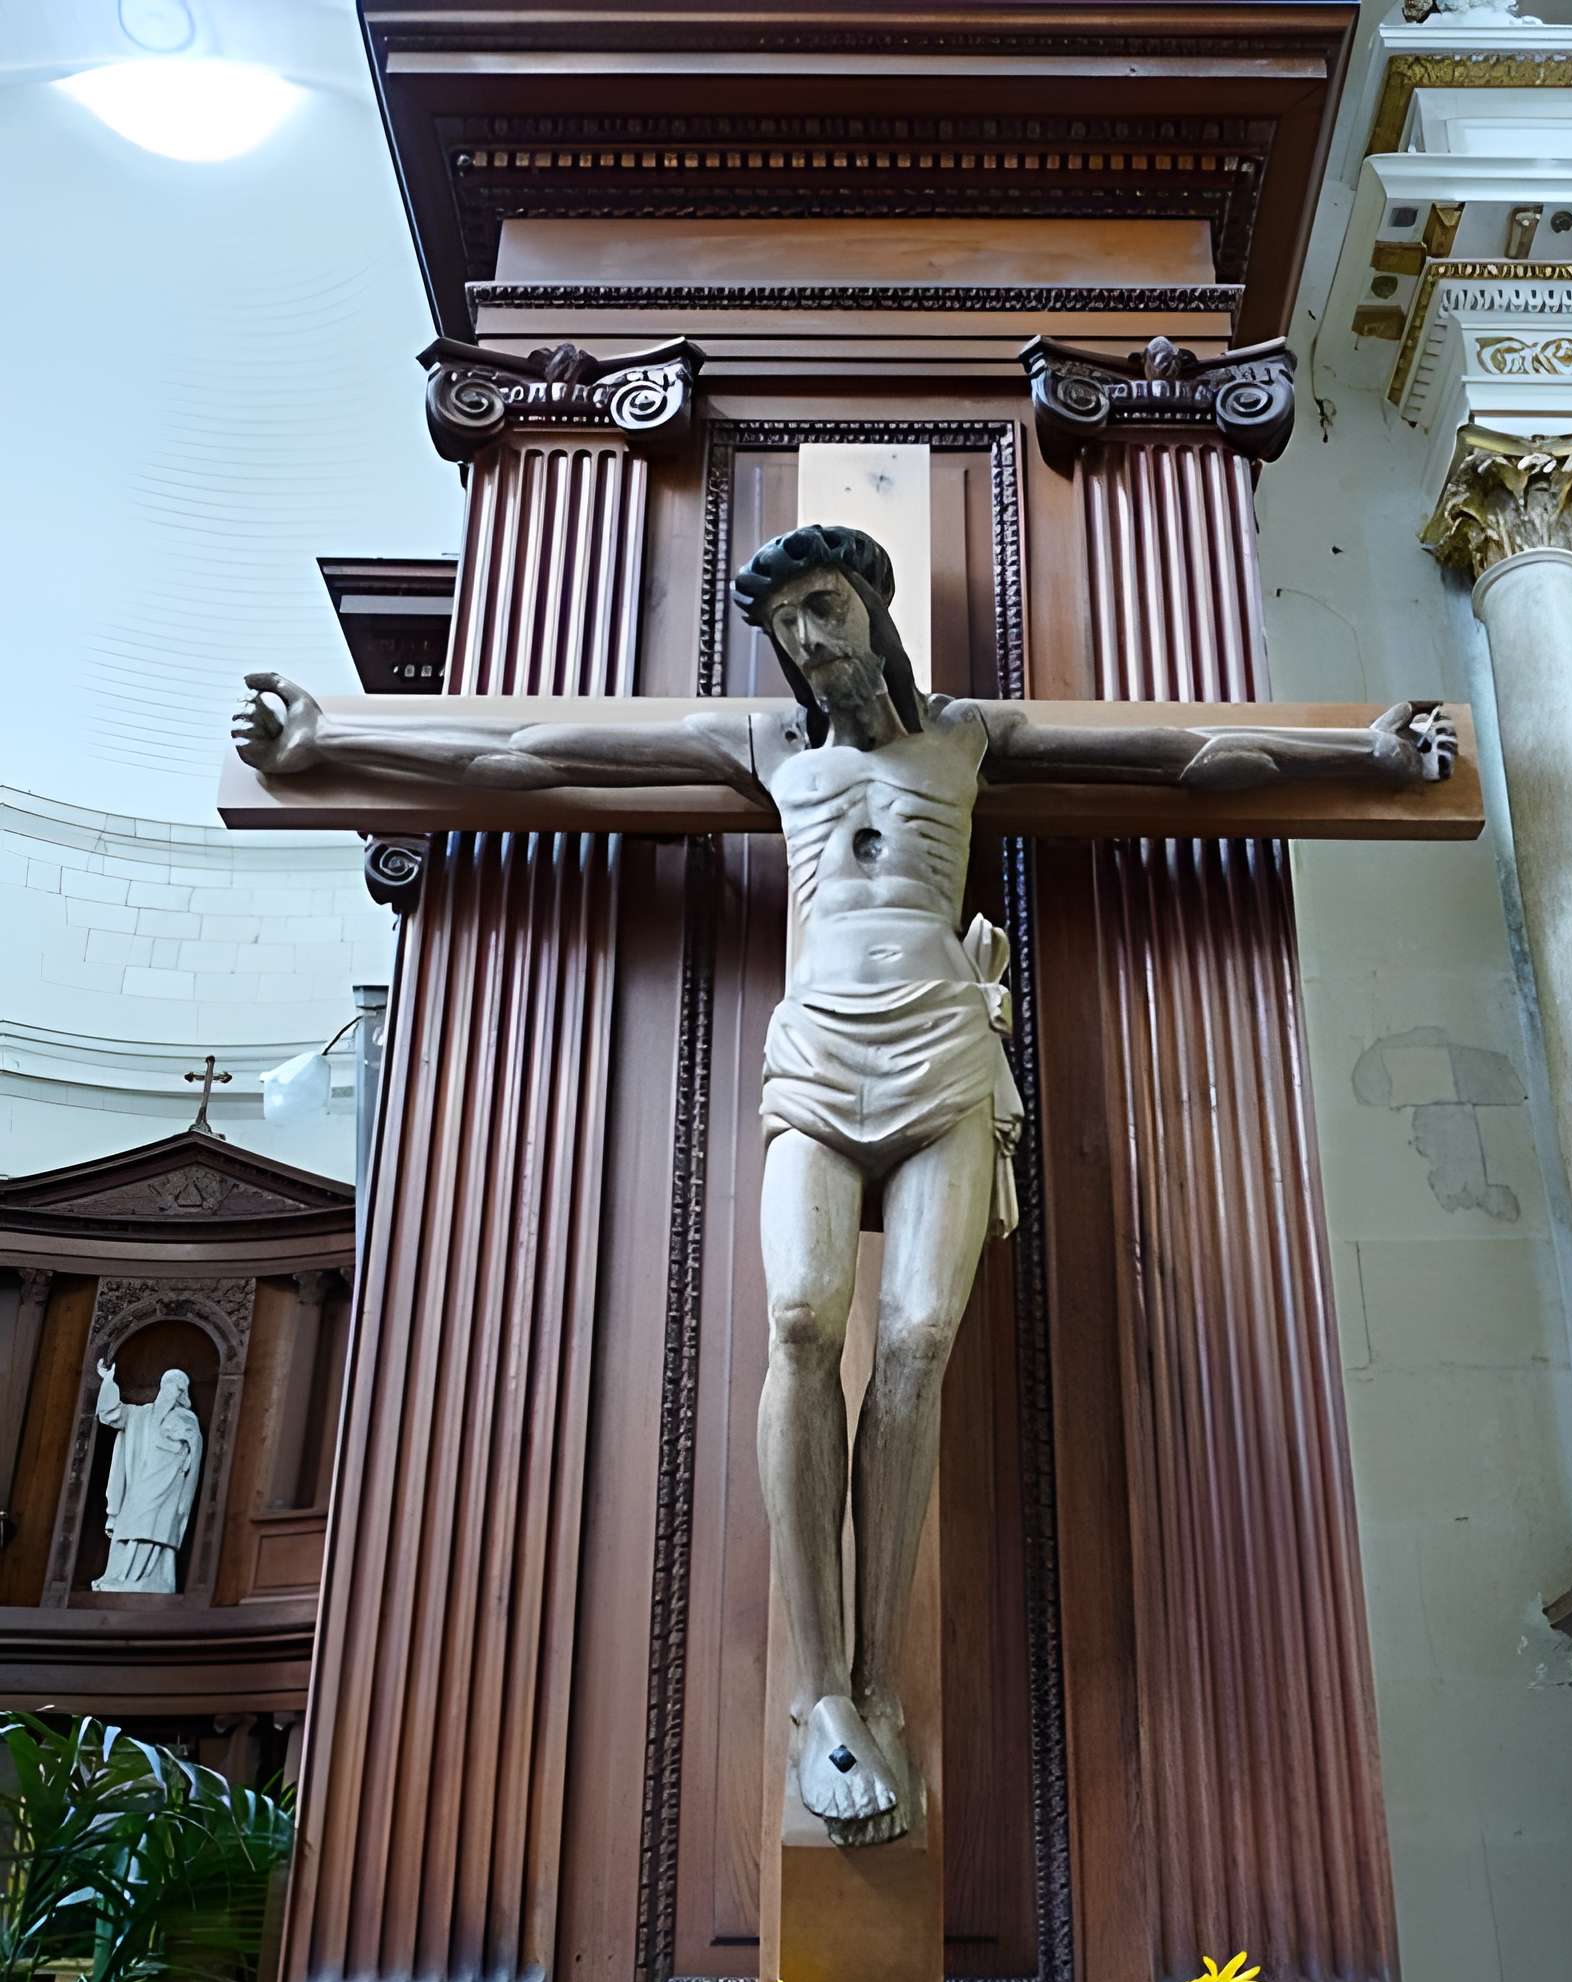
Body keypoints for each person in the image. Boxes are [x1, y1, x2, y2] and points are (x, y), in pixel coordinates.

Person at [232, 520, 1454, 1841]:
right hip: (816, 1057)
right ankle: (820, 1692)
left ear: (873, 606)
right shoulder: (769, 752)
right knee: (806, 1322)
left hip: (942, 1050)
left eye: (824, 609)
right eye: (788, 627)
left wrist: (1366, 753)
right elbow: (530, 755)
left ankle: (876, 1677)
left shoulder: (969, 738)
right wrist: (329, 745)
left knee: (920, 1340)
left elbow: (1185, 759)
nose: (808, 642)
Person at [93, 1363, 204, 1594]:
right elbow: (111, 1414)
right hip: (141, 1481)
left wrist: (184, 1437)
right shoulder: (141, 1414)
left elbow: (193, 1449)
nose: (169, 1390)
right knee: (130, 1525)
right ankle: (120, 1576)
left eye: (175, 1386)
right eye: (166, 1384)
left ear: (182, 1393)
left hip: (168, 1484)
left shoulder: (186, 1419)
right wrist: (108, 1381)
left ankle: (149, 1579)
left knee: (155, 1530)